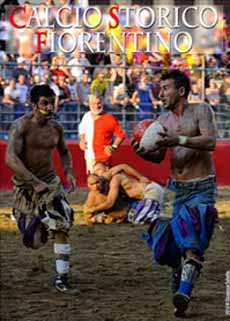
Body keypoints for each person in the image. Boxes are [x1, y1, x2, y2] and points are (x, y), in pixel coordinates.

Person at [132, 70, 218, 317]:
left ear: (181, 91)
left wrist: (178, 139)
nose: (161, 94)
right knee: (163, 242)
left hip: (200, 188)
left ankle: (184, 293)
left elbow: (210, 141)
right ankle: (178, 271)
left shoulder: (201, 110)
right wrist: (142, 152)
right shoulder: (162, 120)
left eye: (166, 88)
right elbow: (158, 156)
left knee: (192, 239)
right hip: (172, 189)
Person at [5, 84, 79, 295]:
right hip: (26, 188)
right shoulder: (21, 126)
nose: (49, 106)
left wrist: (69, 172)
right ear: (34, 104)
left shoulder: (56, 128)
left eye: (51, 101)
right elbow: (10, 158)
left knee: (62, 226)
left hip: (50, 185)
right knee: (34, 241)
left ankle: (62, 278)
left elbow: (64, 152)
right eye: (44, 102)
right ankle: (40, 221)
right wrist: (32, 180)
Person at [85, 162, 164, 225]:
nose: (97, 172)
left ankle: (156, 214)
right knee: (131, 213)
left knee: (139, 219)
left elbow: (110, 203)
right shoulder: (105, 180)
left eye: (99, 169)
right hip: (148, 195)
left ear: (107, 168)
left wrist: (93, 209)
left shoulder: (115, 178)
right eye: (95, 171)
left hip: (150, 192)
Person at [79, 95, 125, 173]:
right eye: (93, 104)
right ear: (89, 104)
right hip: (89, 156)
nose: (96, 106)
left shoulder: (109, 118)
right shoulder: (86, 116)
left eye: (98, 103)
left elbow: (121, 135)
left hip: (103, 158)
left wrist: (113, 147)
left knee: (102, 182)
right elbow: (82, 129)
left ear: (102, 103)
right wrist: (82, 140)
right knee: (92, 181)